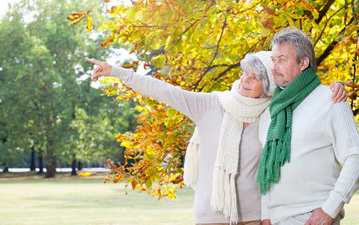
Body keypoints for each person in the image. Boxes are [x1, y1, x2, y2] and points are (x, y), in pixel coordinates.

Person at [87, 51, 345, 225]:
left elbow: (305, 95)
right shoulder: (210, 104)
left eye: (255, 78)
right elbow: (162, 90)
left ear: (267, 88)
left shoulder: (272, 113)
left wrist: (333, 88)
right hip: (211, 215)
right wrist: (115, 71)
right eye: (245, 72)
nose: (246, 79)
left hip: (254, 217)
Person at [256, 27, 359, 225]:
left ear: (303, 63)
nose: (274, 67)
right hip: (276, 219)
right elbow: (268, 164)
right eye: (273, 60)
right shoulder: (271, 110)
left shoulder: (331, 99)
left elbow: (355, 156)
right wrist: (266, 215)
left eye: (282, 59)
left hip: (313, 216)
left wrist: (330, 209)